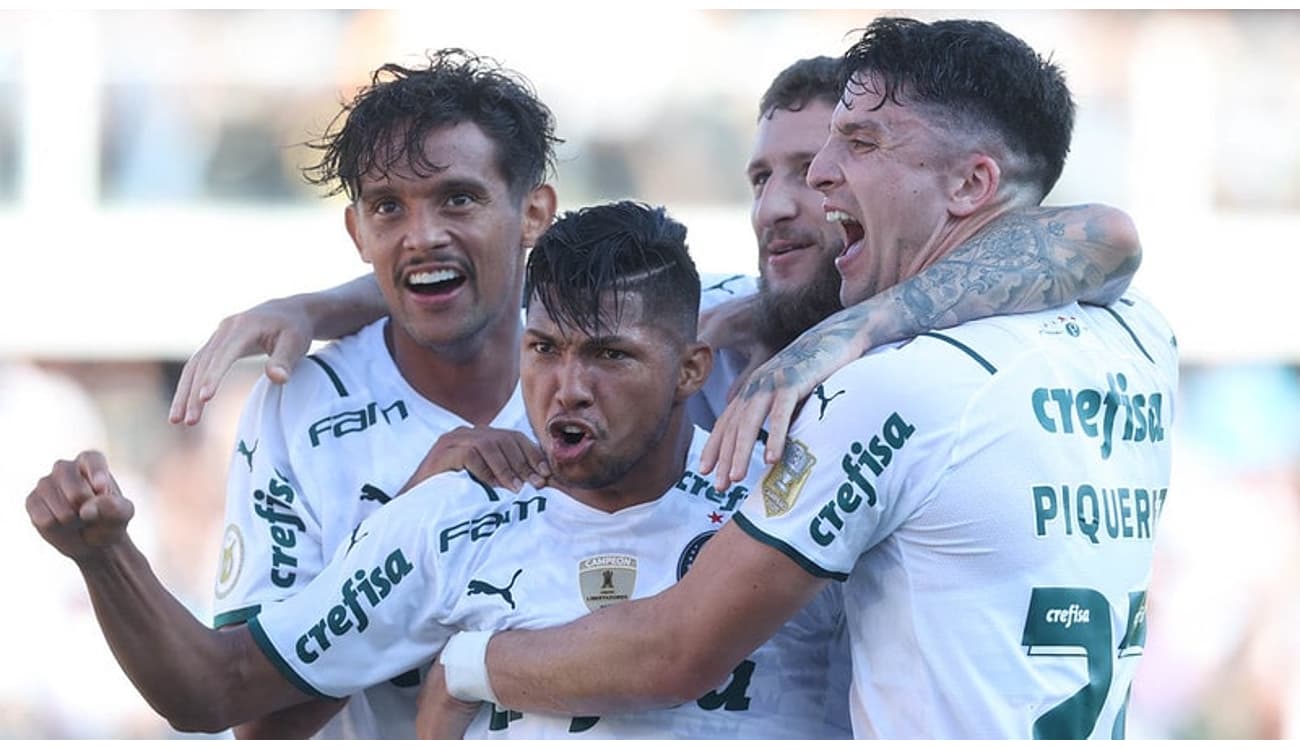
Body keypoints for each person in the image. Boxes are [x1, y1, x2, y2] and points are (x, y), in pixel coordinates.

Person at [417, 17, 1179, 740]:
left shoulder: (892, 389)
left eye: (860, 141)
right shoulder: (1139, 332)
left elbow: (676, 650)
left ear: (971, 183)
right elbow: (1102, 237)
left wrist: (467, 667)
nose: (821, 175)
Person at [26, 201, 853, 739]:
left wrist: (471, 669)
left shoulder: (788, 505)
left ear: (690, 370)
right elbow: (219, 693)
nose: (568, 387)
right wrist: (107, 556)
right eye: (544, 350)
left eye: (610, 356)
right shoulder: (450, 516)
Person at [202, 49, 560, 739]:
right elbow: (261, 724)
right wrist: (410, 522)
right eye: (388, 207)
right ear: (358, 231)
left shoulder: (624, 367)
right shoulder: (297, 404)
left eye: (458, 197)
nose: (422, 236)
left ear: (535, 213)